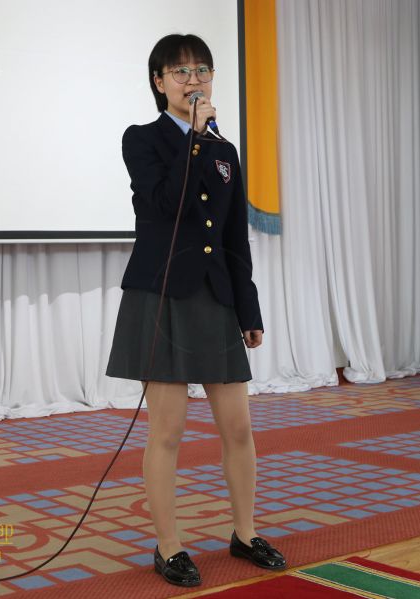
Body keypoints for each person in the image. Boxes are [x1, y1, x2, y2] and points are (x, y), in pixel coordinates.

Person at [105, 33, 286, 587]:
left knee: (239, 427)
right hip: (161, 297)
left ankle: (245, 533)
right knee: (168, 431)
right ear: (158, 82)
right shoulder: (142, 139)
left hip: (215, 299)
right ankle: (169, 547)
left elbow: (233, 238)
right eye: (181, 71)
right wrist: (196, 142)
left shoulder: (225, 151)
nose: (194, 80)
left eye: (202, 70)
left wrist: (248, 310)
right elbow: (167, 203)